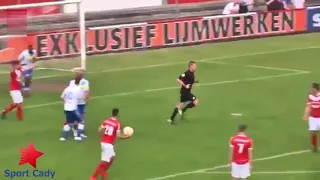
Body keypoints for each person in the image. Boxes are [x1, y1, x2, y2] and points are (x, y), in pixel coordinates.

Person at [90, 108, 129, 180]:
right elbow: (118, 135)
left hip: (104, 142)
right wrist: (126, 136)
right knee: (104, 162)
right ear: (118, 114)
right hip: (108, 145)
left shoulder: (106, 121)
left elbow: (99, 130)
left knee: (112, 157)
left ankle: (102, 172)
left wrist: (102, 137)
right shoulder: (117, 124)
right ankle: (94, 176)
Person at [69, 67, 89, 138]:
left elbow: (86, 91)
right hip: (74, 103)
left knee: (82, 117)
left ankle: (80, 132)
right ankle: (75, 129)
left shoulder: (85, 82)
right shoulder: (72, 82)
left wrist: (86, 96)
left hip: (81, 103)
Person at [303, 83, 320, 152]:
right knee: (313, 132)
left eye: (312, 88)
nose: (310, 90)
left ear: (315, 89)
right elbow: (308, 107)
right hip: (312, 118)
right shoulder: (310, 97)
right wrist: (305, 116)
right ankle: (314, 146)